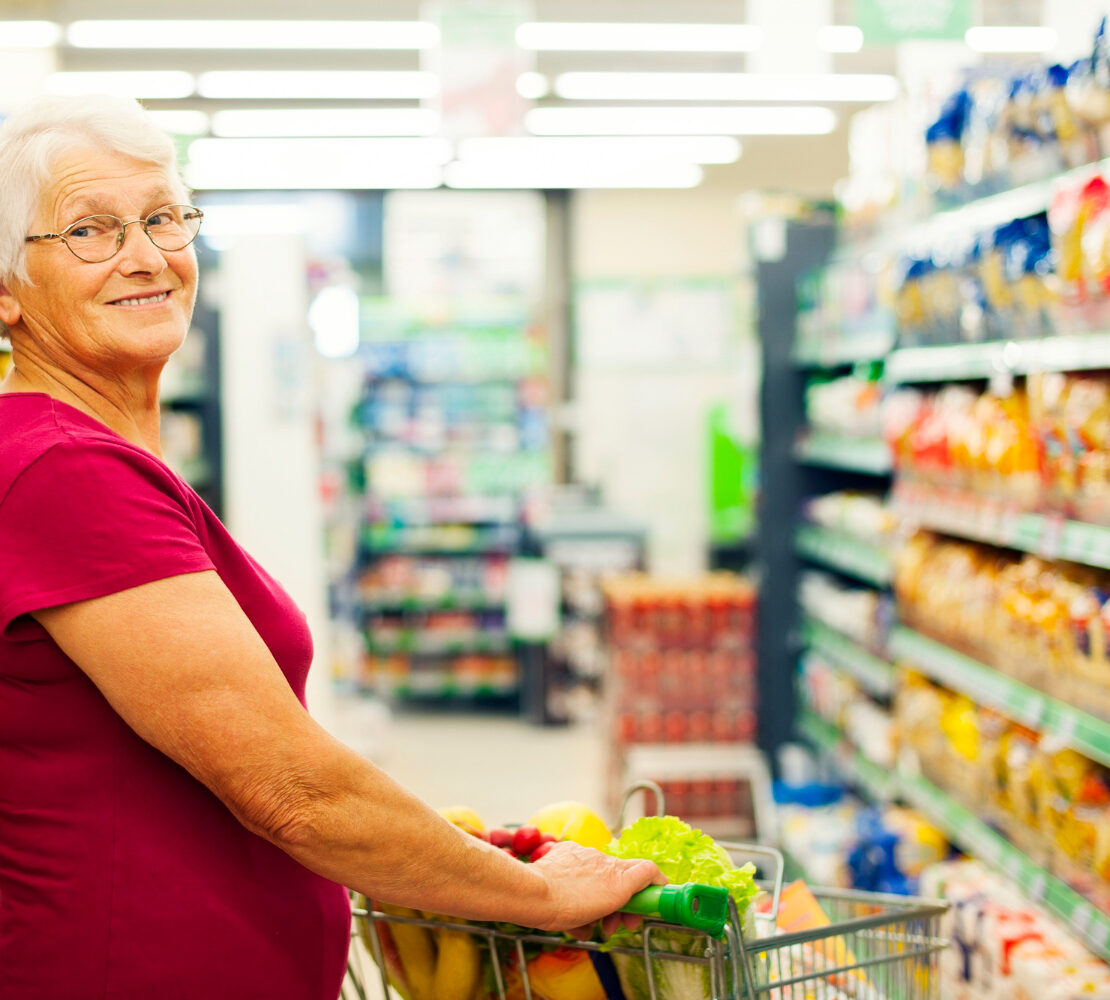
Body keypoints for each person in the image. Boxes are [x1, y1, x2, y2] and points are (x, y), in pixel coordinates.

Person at [0, 94, 664, 1000]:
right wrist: (536, 896)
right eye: (91, 231)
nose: (146, 256)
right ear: (6, 291)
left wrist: (444, 852)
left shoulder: (96, 459)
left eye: (162, 218)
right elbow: (290, 790)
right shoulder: (64, 470)